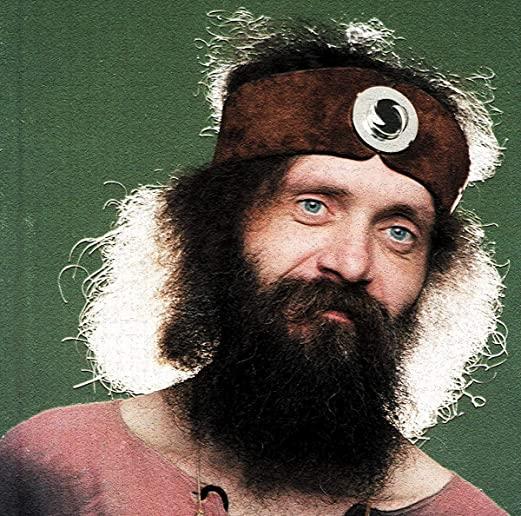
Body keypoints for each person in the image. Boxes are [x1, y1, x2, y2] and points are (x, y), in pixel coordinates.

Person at [0, 11, 508, 515]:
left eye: (399, 232)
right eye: (313, 206)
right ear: (221, 228)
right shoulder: (54, 464)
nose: (352, 263)